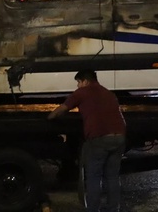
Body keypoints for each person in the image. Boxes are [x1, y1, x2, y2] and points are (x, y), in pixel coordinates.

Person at [48, 70, 127, 212]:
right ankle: (113, 208)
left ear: (85, 81)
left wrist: (49, 118)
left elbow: (62, 110)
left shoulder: (82, 92)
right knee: (112, 176)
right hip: (119, 137)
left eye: (78, 82)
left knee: (94, 177)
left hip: (99, 139)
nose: (77, 86)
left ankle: (93, 209)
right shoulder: (108, 93)